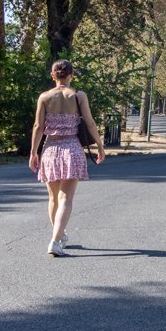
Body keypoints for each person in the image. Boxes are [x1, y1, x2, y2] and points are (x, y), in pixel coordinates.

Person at [28, 59, 105, 256]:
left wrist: (33, 153)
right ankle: (55, 240)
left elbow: (38, 127)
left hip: (50, 149)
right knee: (66, 198)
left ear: (52, 75)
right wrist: (100, 146)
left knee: (53, 198)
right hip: (72, 148)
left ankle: (59, 236)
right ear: (71, 75)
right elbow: (90, 123)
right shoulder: (78, 96)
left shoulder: (44, 97)